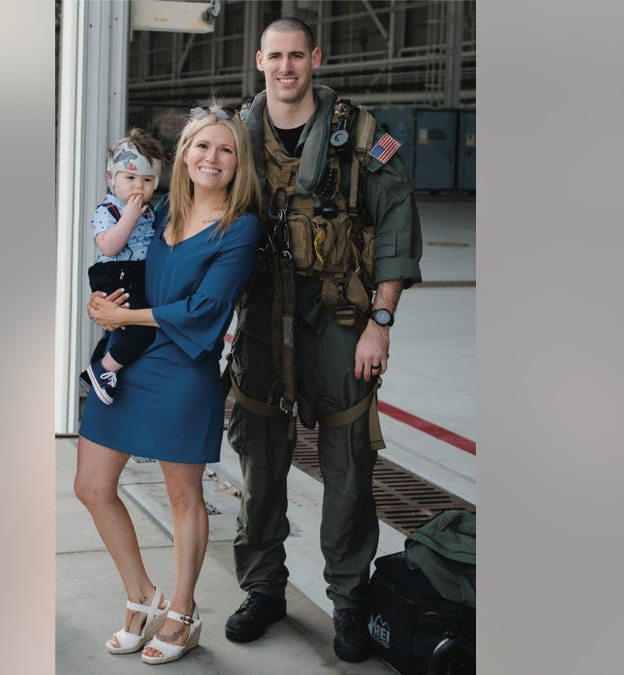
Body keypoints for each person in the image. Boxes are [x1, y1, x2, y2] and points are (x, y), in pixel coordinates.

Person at [225, 16, 423, 663]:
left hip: (340, 320)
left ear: (316, 57)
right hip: (259, 319)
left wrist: (381, 321)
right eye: (274, 56)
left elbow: (396, 223)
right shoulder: (236, 137)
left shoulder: (359, 135)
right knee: (258, 461)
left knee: (348, 467)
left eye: (296, 56)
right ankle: (263, 588)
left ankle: (349, 600)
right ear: (260, 60)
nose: (285, 67)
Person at [75, 105, 261, 666]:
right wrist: (100, 304)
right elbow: (120, 265)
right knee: (91, 485)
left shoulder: (240, 225)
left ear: (238, 163)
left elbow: (206, 308)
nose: (212, 157)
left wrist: (125, 320)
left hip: (182, 366)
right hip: (128, 360)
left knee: (184, 495)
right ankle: (141, 597)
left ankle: (182, 610)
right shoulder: (157, 210)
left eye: (225, 150)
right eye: (202, 146)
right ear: (182, 155)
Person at [83, 129, 167, 404]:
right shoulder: (108, 211)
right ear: (111, 178)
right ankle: (103, 369)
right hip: (114, 273)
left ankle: (98, 368)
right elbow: (108, 246)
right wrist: (129, 216)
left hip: (135, 273)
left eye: (147, 180)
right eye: (130, 178)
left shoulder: (151, 208)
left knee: (123, 328)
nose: (138, 187)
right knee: (138, 328)